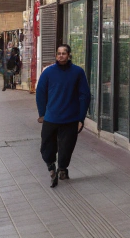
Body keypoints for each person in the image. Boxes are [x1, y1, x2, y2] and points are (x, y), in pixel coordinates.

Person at [35, 44, 90, 188]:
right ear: (55, 55)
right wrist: (42, 113)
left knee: (66, 148)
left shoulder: (78, 72)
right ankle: (51, 167)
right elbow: (40, 92)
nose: (61, 56)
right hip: (51, 117)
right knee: (46, 147)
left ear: (69, 55)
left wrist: (81, 118)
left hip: (70, 118)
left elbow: (85, 95)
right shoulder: (48, 72)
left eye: (64, 53)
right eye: (58, 53)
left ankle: (63, 169)